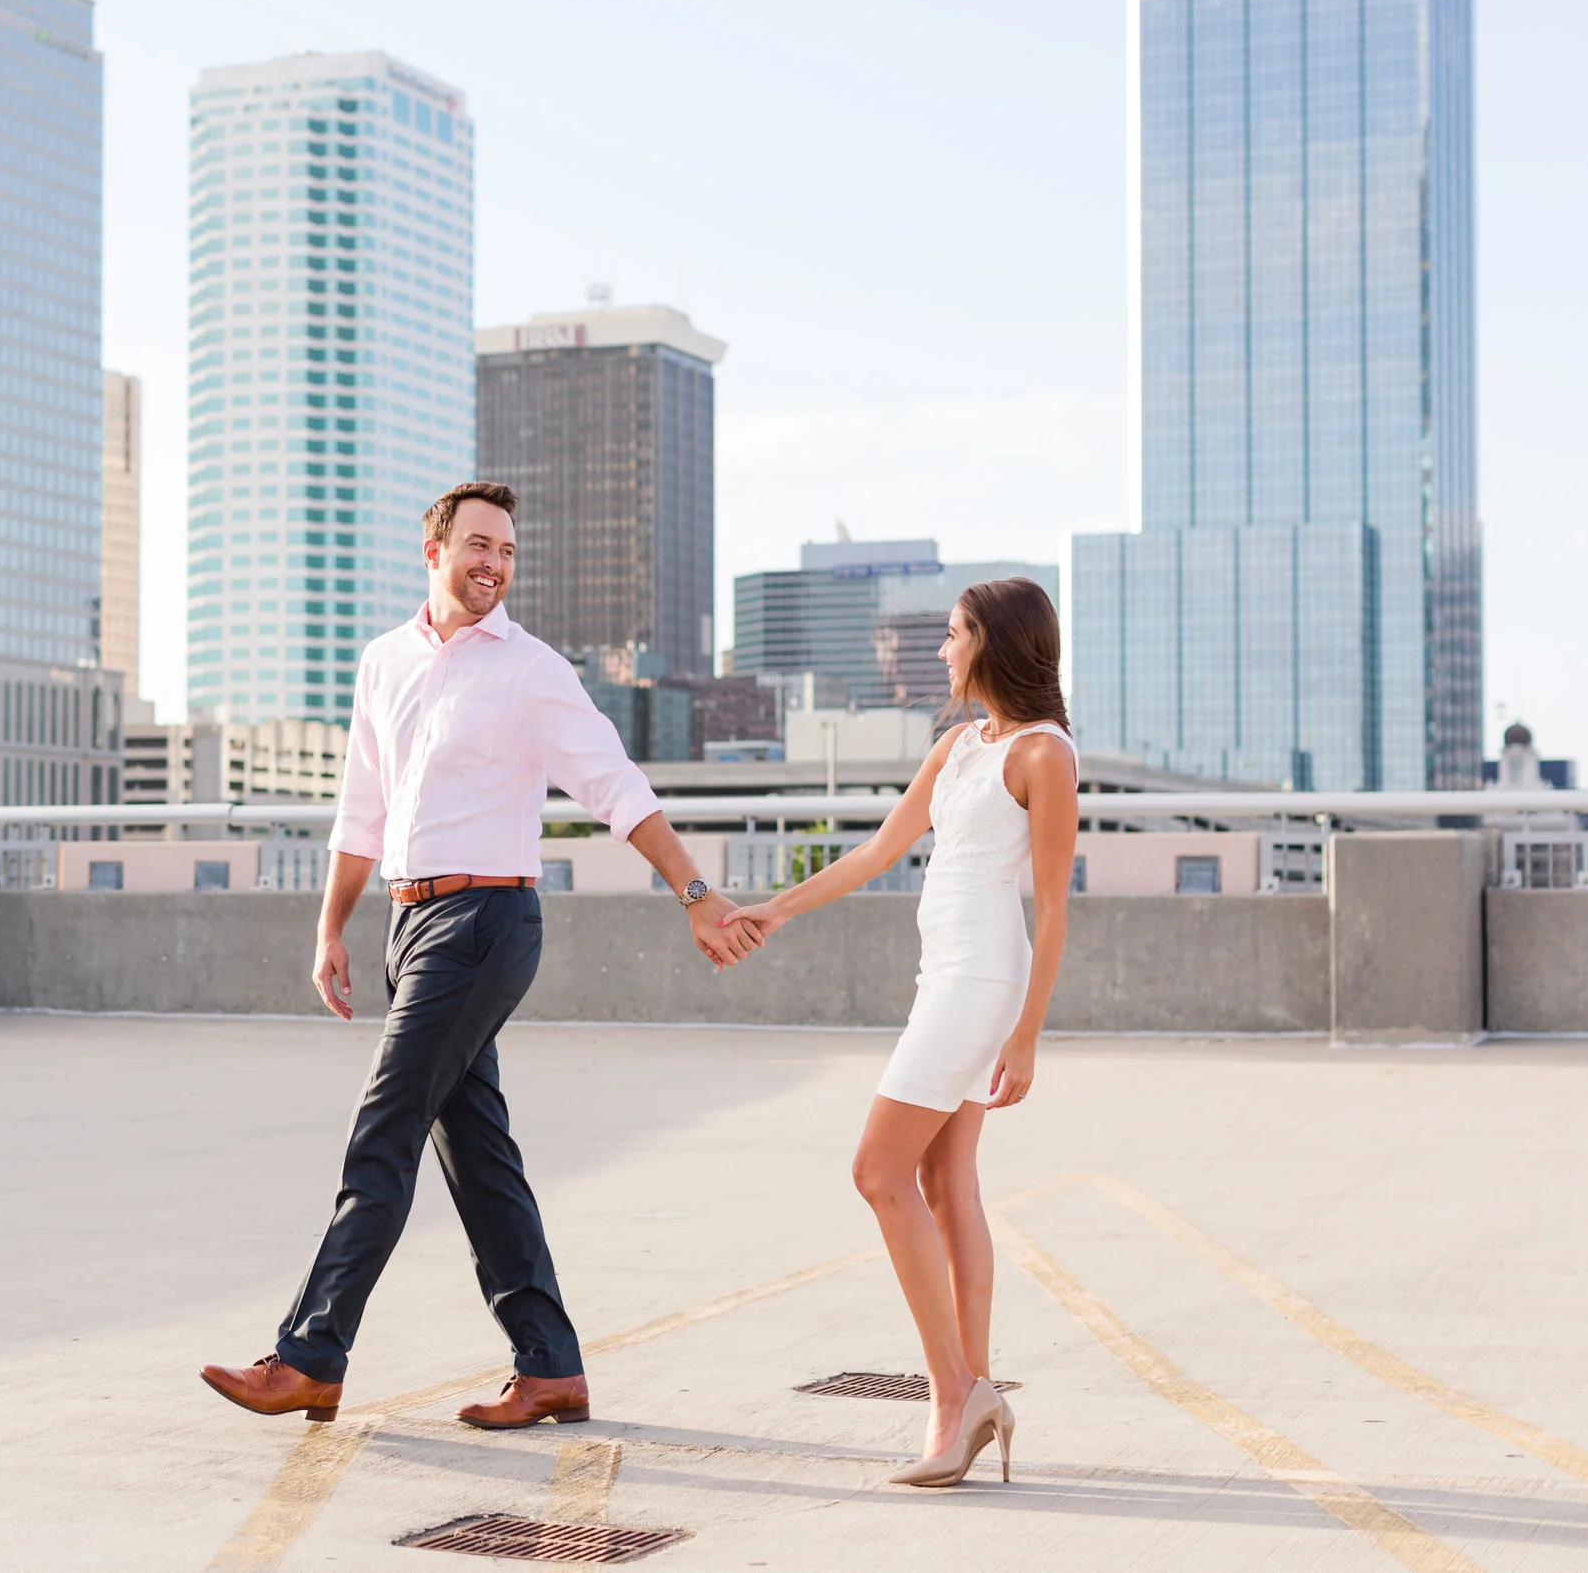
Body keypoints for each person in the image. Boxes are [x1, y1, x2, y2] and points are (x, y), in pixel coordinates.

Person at [201, 481, 762, 1429]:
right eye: (477, 546)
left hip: (487, 924)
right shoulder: (383, 661)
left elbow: (613, 783)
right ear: (434, 551)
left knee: (384, 1128)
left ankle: (311, 1353)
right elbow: (362, 810)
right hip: (409, 924)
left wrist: (695, 893)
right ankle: (550, 1365)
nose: (494, 564)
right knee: (478, 1153)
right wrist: (332, 926)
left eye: (506, 550)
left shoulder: (531, 668)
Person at [727, 578, 1078, 1488]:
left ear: (993, 643)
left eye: (953, 634)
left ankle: (953, 1394)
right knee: (944, 1176)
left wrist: (1027, 1034)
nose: (940, 650)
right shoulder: (961, 744)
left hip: (983, 979)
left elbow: (1052, 908)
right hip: (944, 974)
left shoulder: (1044, 754)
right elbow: (879, 850)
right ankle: (976, 1391)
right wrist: (776, 909)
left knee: (877, 1171)